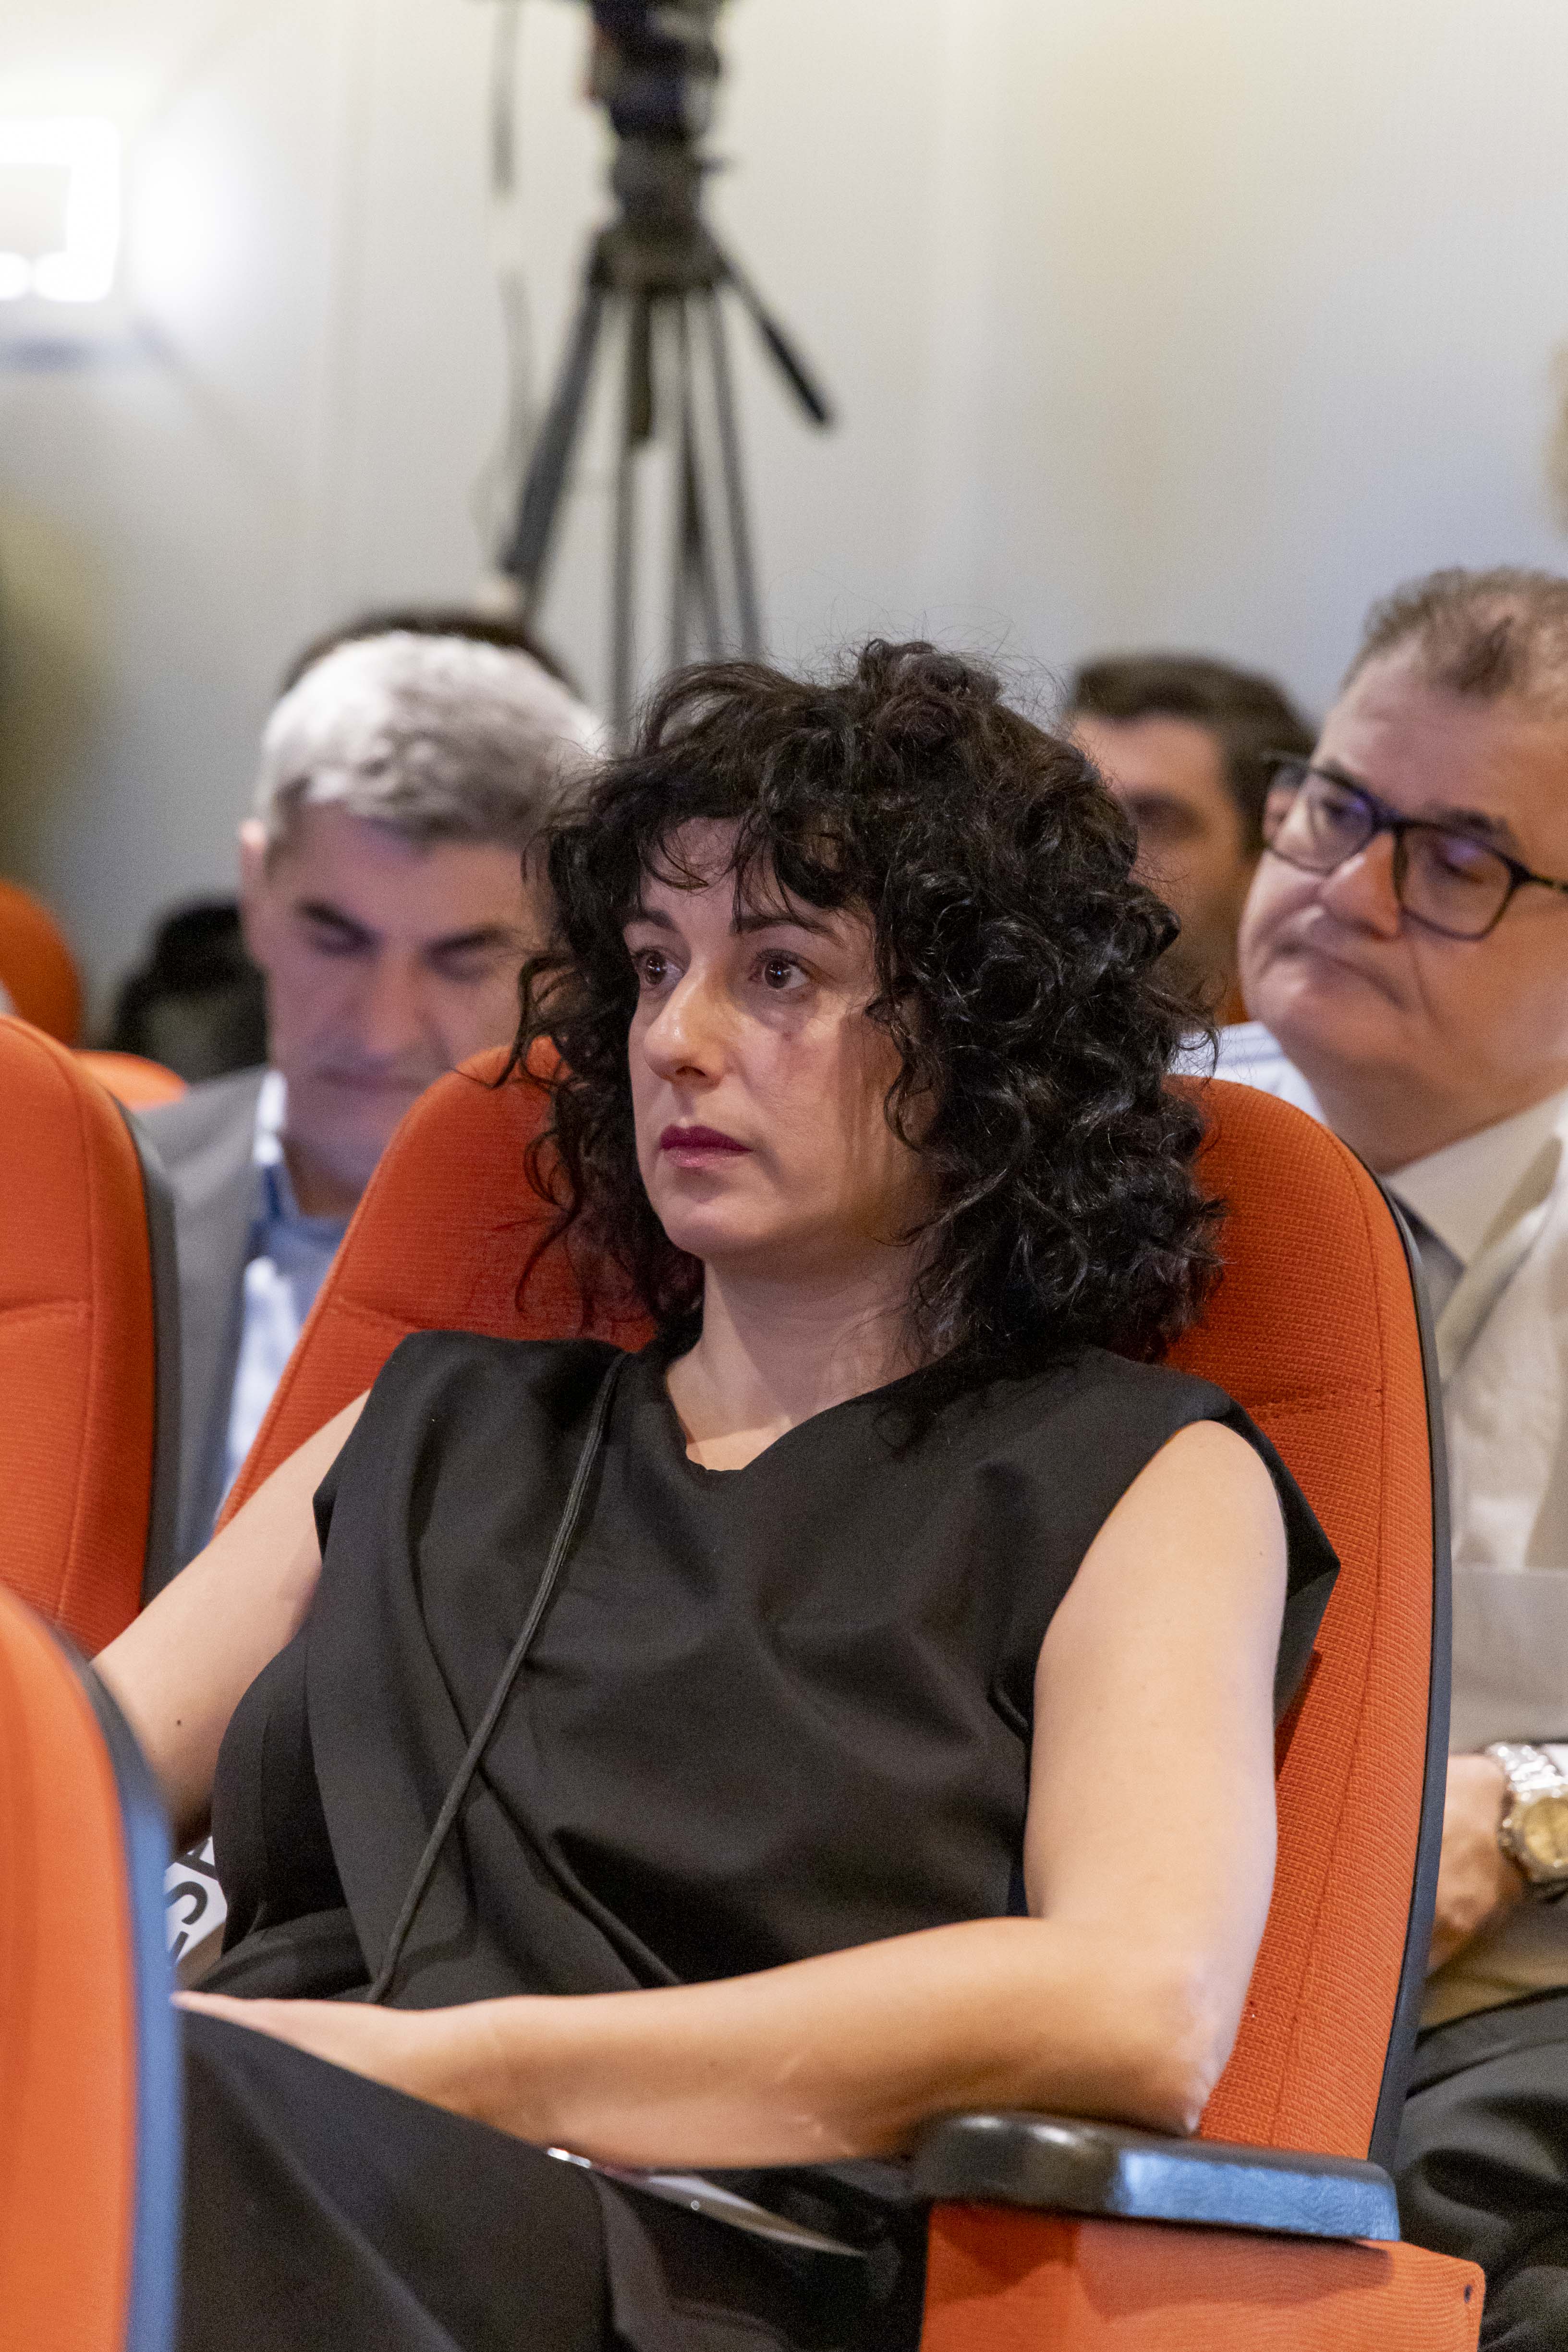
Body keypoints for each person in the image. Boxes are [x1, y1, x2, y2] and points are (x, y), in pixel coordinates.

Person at [97, 641, 1337, 2352]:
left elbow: (1132, 2002)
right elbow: (50, 1791)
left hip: (675, 2266)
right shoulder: (431, 1425)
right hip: (241, 2159)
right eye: (651, 966)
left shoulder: (1133, 1479)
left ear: (982, 1034)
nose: (674, 1041)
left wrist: (446, 2068)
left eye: (777, 972)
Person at [1216, 567, 1568, 2348]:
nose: (1346, 892)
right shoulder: (1080, 1156)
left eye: (1455, 862)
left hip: (1494, 2032)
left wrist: (1530, 1807)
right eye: (1336, 810)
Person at [137, 610, 602, 1576]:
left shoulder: (644, 1279)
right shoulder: (75, 1202)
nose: (384, 1029)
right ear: (256, 889)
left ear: (566, 963)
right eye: (336, 936)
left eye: (462, 958)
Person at [1068, 653, 1314, 1024]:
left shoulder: (1332, 1050)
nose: (1093, 844)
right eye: (1074, 807)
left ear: (1268, 857)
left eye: (1153, 819)